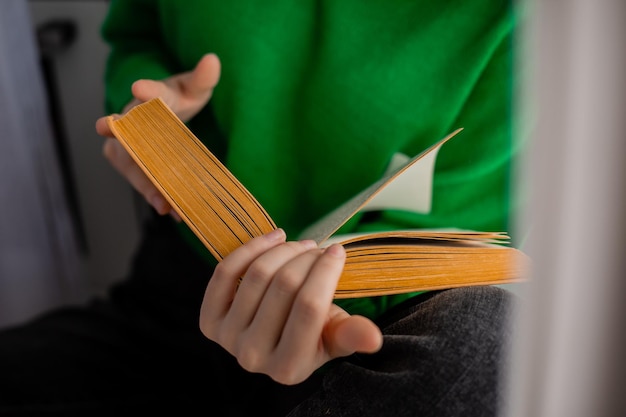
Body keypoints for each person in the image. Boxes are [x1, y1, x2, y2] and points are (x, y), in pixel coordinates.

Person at [0, 1, 522, 416]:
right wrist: (143, 112)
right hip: (177, 293)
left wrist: (322, 321)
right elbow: (136, 33)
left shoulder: (532, 27)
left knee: (485, 352)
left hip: (359, 333)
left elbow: (453, 230)